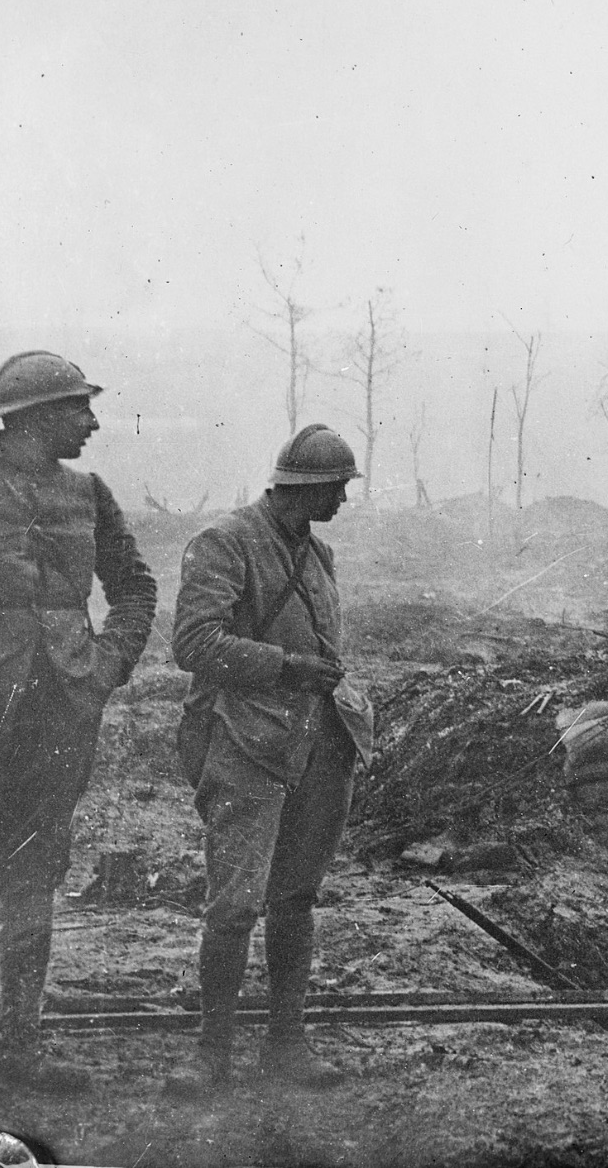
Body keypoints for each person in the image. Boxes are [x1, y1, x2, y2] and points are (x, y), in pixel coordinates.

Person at [0, 353, 157, 1103]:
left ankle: (19, 1050)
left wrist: (104, 666)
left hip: (57, 718)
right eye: (78, 409)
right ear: (34, 416)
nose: (92, 423)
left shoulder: (88, 493)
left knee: (34, 882)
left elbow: (134, 586)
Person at [162, 426, 374, 1097]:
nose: (344, 496)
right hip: (245, 742)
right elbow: (194, 642)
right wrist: (286, 667)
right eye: (337, 486)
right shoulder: (226, 541)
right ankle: (210, 1051)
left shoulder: (318, 553)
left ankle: (287, 1043)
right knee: (233, 905)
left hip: (318, 744)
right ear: (305, 487)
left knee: (295, 899)